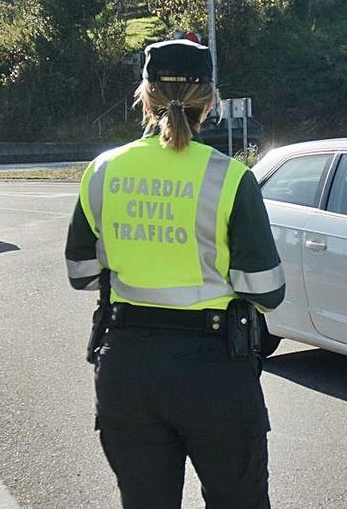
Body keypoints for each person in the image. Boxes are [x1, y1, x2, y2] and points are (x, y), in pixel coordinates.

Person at [64, 39, 285, 508]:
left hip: (127, 367)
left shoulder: (103, 170)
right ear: (211, 100)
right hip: (214, 372)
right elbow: (267, 290)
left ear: (145, 96)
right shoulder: (231, 177)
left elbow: (81, 273)